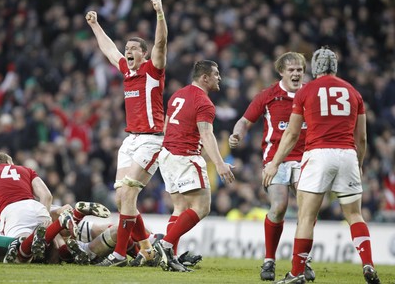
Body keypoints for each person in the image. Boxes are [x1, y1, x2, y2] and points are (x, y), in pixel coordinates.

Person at [262, 46, 380, 284]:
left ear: (314, 68)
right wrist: (359, 163)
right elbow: (363, 138)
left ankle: (296, 273)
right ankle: (368, 264)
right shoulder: (353, 92)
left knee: (305, 217)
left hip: (318, 154)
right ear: (335, 67)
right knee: (355, 215)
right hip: (347, 154)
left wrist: (274, 163)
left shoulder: (307, 91)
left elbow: (293, 134)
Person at [85, 0, 168, 267]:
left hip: (151, 140)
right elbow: (109, 50)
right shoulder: (126, 72)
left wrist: (159, 14)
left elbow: (161, 43)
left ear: (144, 54)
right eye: (127, 48)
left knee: (129, 194)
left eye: (133, 49)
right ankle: (146, 248)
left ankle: (119, 254)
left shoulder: (152, 70)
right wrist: (96, 25)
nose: (128, 52)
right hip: (130, 139)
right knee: (121, 199)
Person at [228, 52, 315, 282]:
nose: (296, 74)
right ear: (281, 72)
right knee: (279, 206)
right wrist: (237, 134)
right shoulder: (268, 95)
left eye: (300, 70)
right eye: (292, 70)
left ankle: (302, 262)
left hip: (306, 159)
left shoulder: (311, 93)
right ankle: (269, 260)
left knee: (308, 210)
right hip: (276, 160)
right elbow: (245, 121)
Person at [154, 60, 235, 272]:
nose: (220, 78)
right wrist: (219, 164)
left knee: (180, 208)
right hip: (185, 155)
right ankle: (165, 245)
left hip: (167, 154)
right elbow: (206, 134)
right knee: (202, 207)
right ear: (204, 77)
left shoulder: (177, 94)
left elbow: (166, 124)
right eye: (216, 74)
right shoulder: (204, 103)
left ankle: (169, 255)